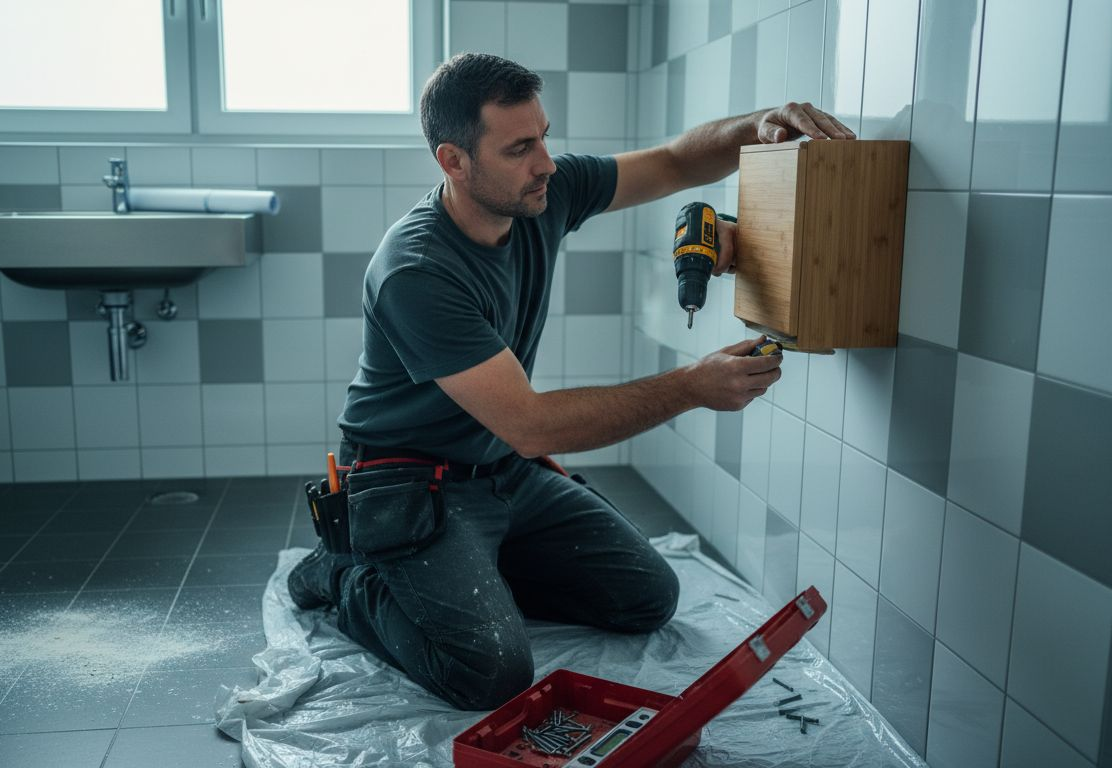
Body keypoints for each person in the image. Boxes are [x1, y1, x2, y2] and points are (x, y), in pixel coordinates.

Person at [289, 53, 855, 711]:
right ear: (453, 161)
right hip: (412, 480)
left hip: (502, 468)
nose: (547, 163)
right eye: (520, 147)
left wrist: (755, 127)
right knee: (489, 672)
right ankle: (347, 573)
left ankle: (467, 569)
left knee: (647, 598)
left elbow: (673, 162)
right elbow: (534, 423)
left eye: (545, 136)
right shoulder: (417, 272)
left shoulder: (543, 194)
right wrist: (691, 386)